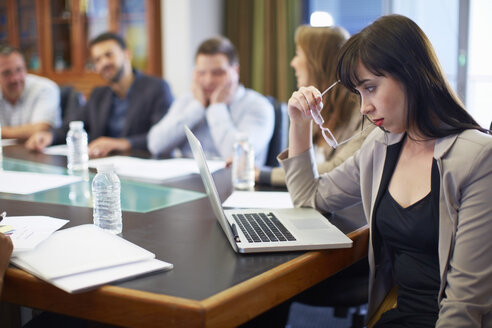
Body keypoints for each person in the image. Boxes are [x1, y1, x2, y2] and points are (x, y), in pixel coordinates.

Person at [281, 14, 492, 327]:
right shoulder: (381, 146)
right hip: (395, 315)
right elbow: (310, 196)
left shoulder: (477, 158)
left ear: (410, 75)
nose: (365, 106)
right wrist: (298, 124)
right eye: (359, 93)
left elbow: (465, 305)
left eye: (371, 88)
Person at [256, 25, 373, 186]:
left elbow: (338, 169)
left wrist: (263, 174)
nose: (293, 63)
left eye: (298, 54)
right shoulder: (318, 110)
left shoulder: (364, 113)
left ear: (317, 62)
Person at [25, 32, 173, 158]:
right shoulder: (98, 94)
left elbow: (165, 136)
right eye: (97, 60)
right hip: (102, 169)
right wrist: (48, 136)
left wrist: (121, 143)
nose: (104, 63)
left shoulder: (157, 88)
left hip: (143, 168)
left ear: (127, 54)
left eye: (109, 55)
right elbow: (72, 127)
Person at [147, 36, 274, 166]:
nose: (208, 81)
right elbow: (155, 145)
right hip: (188, 182)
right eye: (201, 73)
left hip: (232, 184)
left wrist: (217, 107)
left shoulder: (258, 106)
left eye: (217, 73)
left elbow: (236, 155)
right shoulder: (187, 100)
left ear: (235, 71)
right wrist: (197, 108)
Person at [0, 45, 61, 140]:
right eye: (6, 73)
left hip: (38, 153)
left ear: (25, 67)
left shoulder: (45, 88)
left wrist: (2, 132)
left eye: (19, 70)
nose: (15, 79)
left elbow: (39, 129)